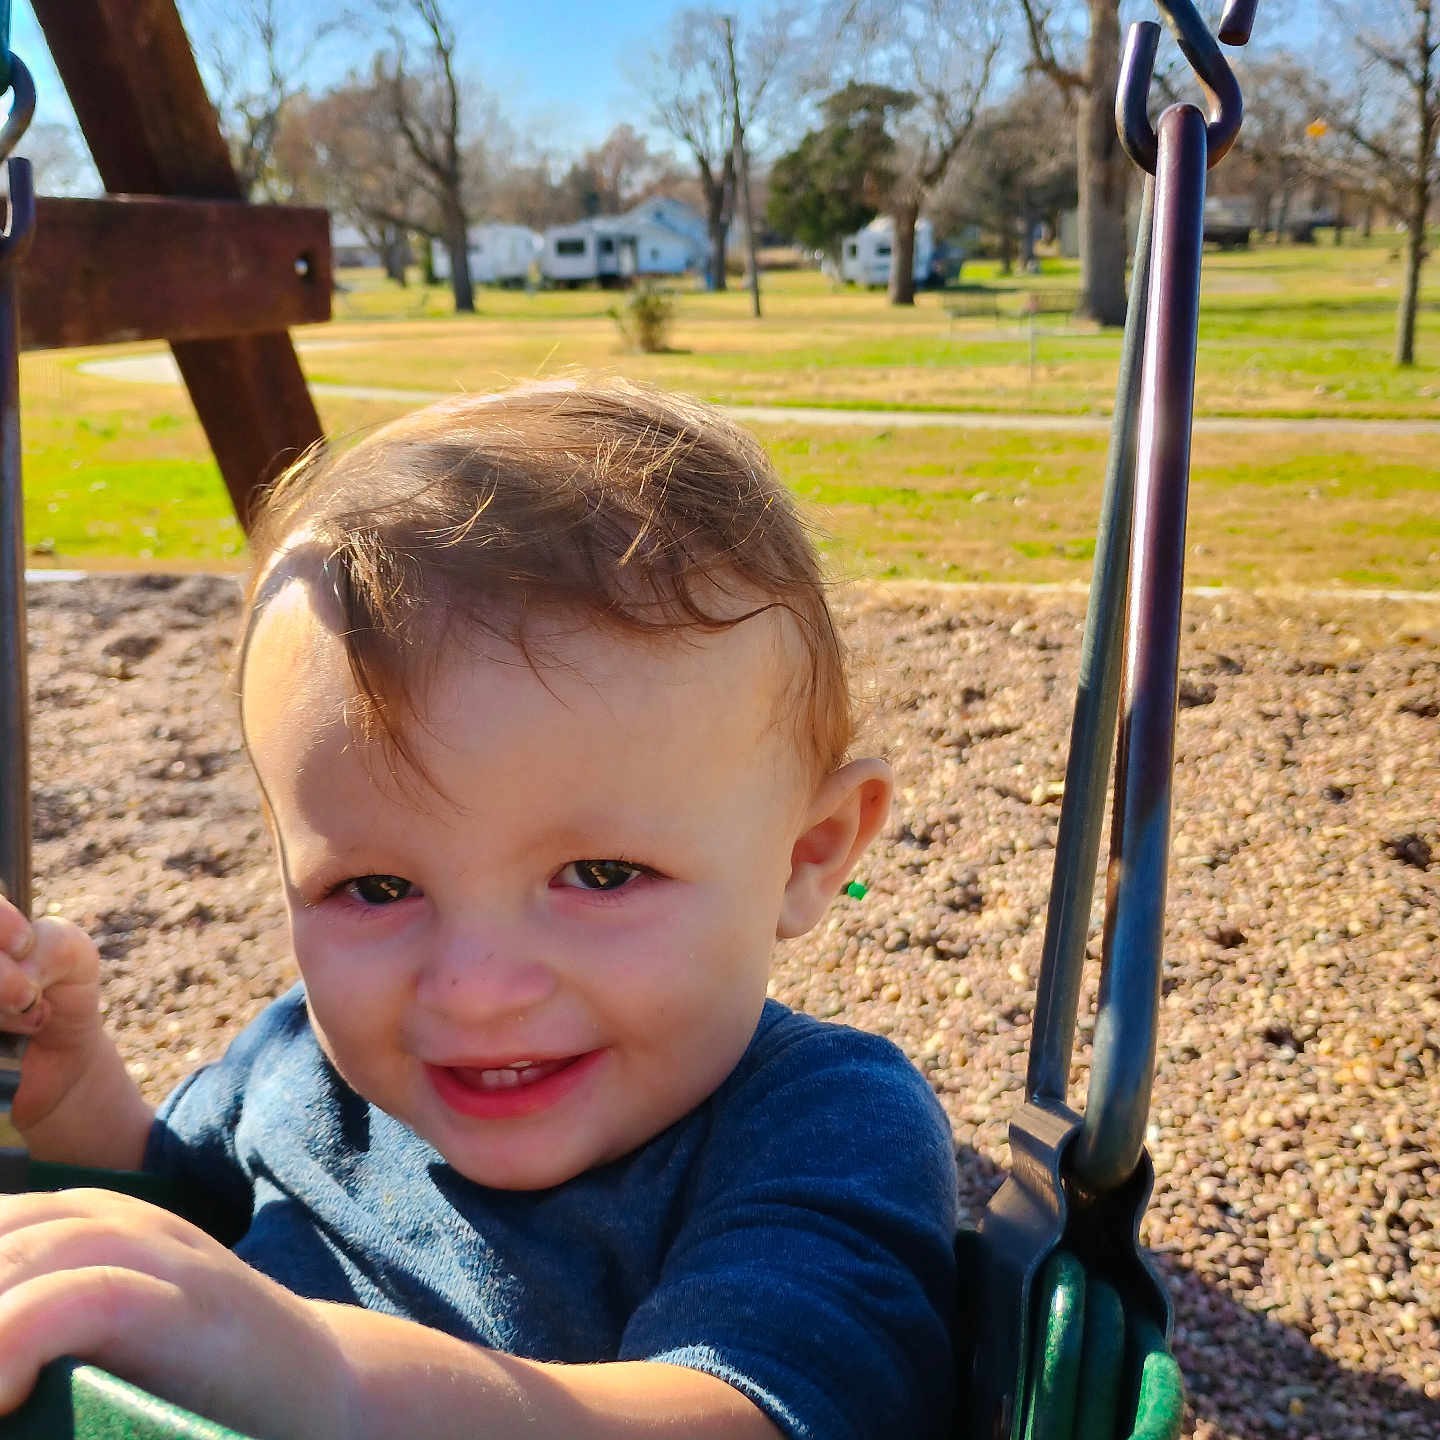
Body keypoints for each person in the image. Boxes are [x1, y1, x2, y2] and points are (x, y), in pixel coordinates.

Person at [0, 379, 959, 1439]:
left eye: (602, 875)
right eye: (375, 889)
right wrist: (68, 1088)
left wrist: (319, 1376)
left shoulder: (818, 1123)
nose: (474, 991)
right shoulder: (297, 1061)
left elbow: (744, 1416)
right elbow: (176, 1211)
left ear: (808, 854)